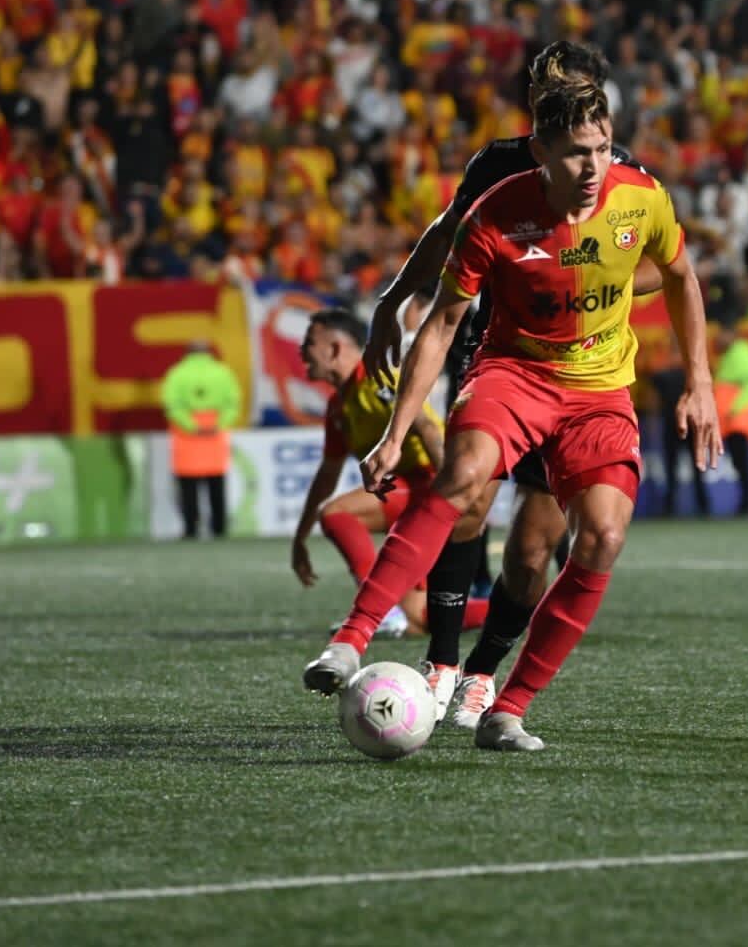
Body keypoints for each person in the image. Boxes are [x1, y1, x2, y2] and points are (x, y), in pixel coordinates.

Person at [304, 80, 719, 752]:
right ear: (541, 151)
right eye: (578, 153)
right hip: (514, 372)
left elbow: (679, 275)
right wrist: (397, 427)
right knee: (463, 476)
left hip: (600, 390)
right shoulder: (496, 212)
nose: (594, 168)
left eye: (604, 149)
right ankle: (351, 641)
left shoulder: (642, 199)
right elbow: (441, 324)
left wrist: (699, 383)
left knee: (602, 538)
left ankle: (506, 706)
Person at [359, 41, 667, 731]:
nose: (550, 101)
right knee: (465, 503)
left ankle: (483, 672)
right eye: (542, 88)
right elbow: (445, 235)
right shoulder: (500, 164)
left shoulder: (623, 179)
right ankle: (439, 663)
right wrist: (393, 301)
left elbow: (662, 265)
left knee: (533, 546)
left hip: (578, 371)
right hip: (494, 353)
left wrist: (590, 288)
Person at [289, 307, 490, 712]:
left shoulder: (379, 381)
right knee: (421, 616)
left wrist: (452, 493)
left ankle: (381, 614)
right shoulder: (339, 406)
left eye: (308, 344)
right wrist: (299, 538)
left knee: (338, 514)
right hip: (403, 493)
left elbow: (429, 428)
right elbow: (326, 475)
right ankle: (522, 606)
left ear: (334, 348)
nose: (301, 352)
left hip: (426, 486)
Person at [160, 340, 241, 539]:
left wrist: (191, 425)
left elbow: (171, 404)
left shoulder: (176, 374)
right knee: (216, 483)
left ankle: (191, 527)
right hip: (215, 433)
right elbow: (233, 402)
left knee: (188, 485)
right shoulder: (223, 372)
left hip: (186, 436)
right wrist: (219, 424)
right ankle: (219, 527)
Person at [713, 323, 748, 516]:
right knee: (739, 463)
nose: (718, 339)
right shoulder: (731, 355)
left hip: (739, 419)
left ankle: (747, 504)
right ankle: (745, 503)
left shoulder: (742, 353)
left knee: (743, 463)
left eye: (721, 334)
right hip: (732, 420)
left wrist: (735, 409)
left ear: (732, 333)